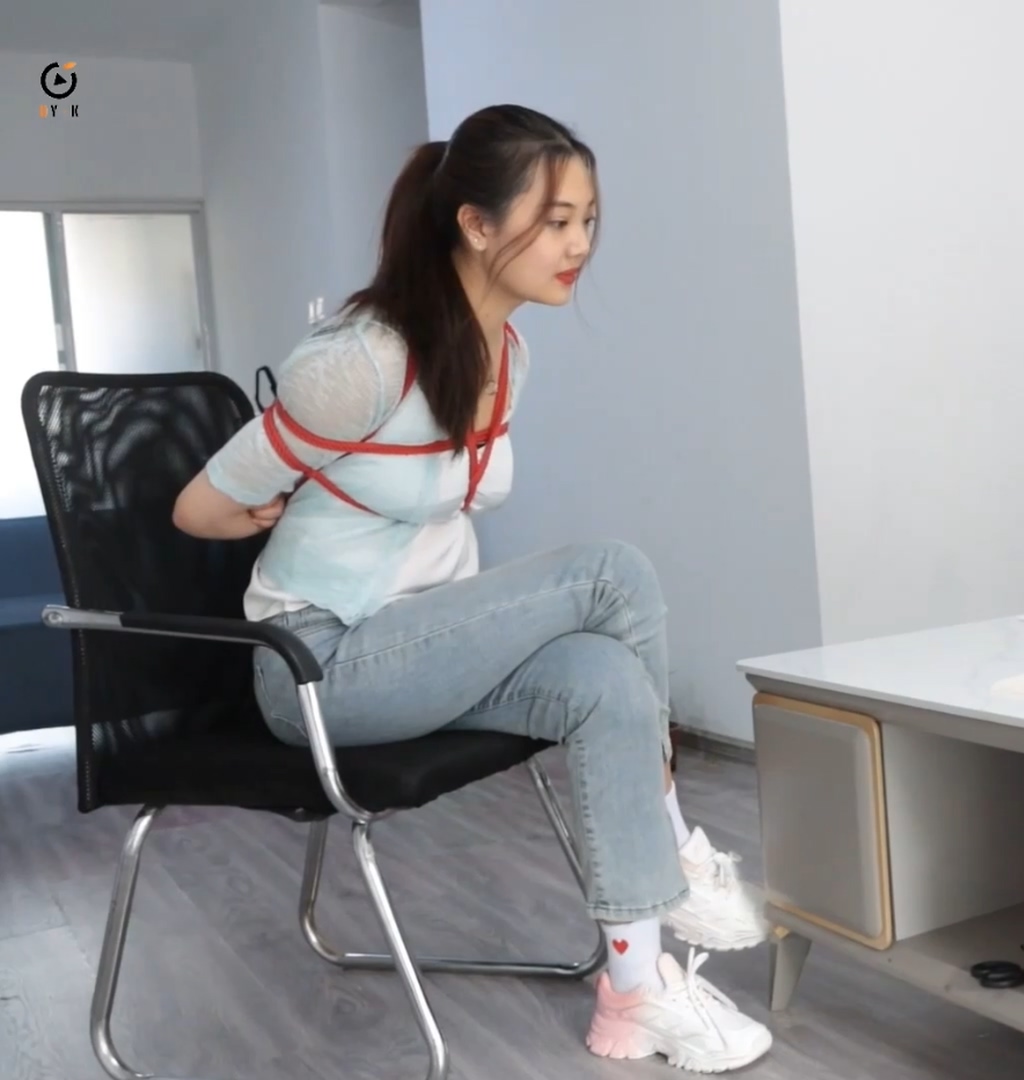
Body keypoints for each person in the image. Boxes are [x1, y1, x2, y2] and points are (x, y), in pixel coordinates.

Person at [172, 104, 773, 1073]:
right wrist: (258, 514)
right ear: (477, 224)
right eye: (556, 220)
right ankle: (678, 855)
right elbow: (196, 507)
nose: (579, 245)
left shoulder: (507, 356)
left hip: (420, 652)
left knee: (603, 678)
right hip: (320, 665)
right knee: (611, 573)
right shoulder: (361, 361)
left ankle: (634, 991)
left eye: (588, 220)